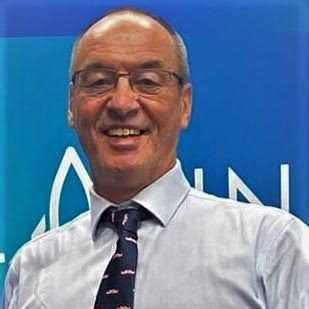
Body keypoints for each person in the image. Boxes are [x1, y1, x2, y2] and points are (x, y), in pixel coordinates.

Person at [3, 7, 309, 309]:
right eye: (98, 81)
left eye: (148, 81)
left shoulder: (271, 247)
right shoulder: (32, 269)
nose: (122, 103)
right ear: (72, 105)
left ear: (185, 104)